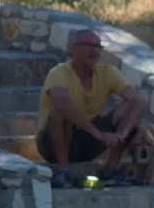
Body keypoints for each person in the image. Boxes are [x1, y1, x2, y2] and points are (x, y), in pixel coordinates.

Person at [36, 27, 147, 186]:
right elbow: (61, 102)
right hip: (52, 144)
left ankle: (112, 169)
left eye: (97, 47)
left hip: (89, 142)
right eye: (88, 45)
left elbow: (138, 101)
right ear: (74, 49)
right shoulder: (59, 73)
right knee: (59, 113)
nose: (94, 51)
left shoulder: (107, 72)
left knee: (128, 108)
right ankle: (63, 171)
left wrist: (122, 134)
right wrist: (97, 133)